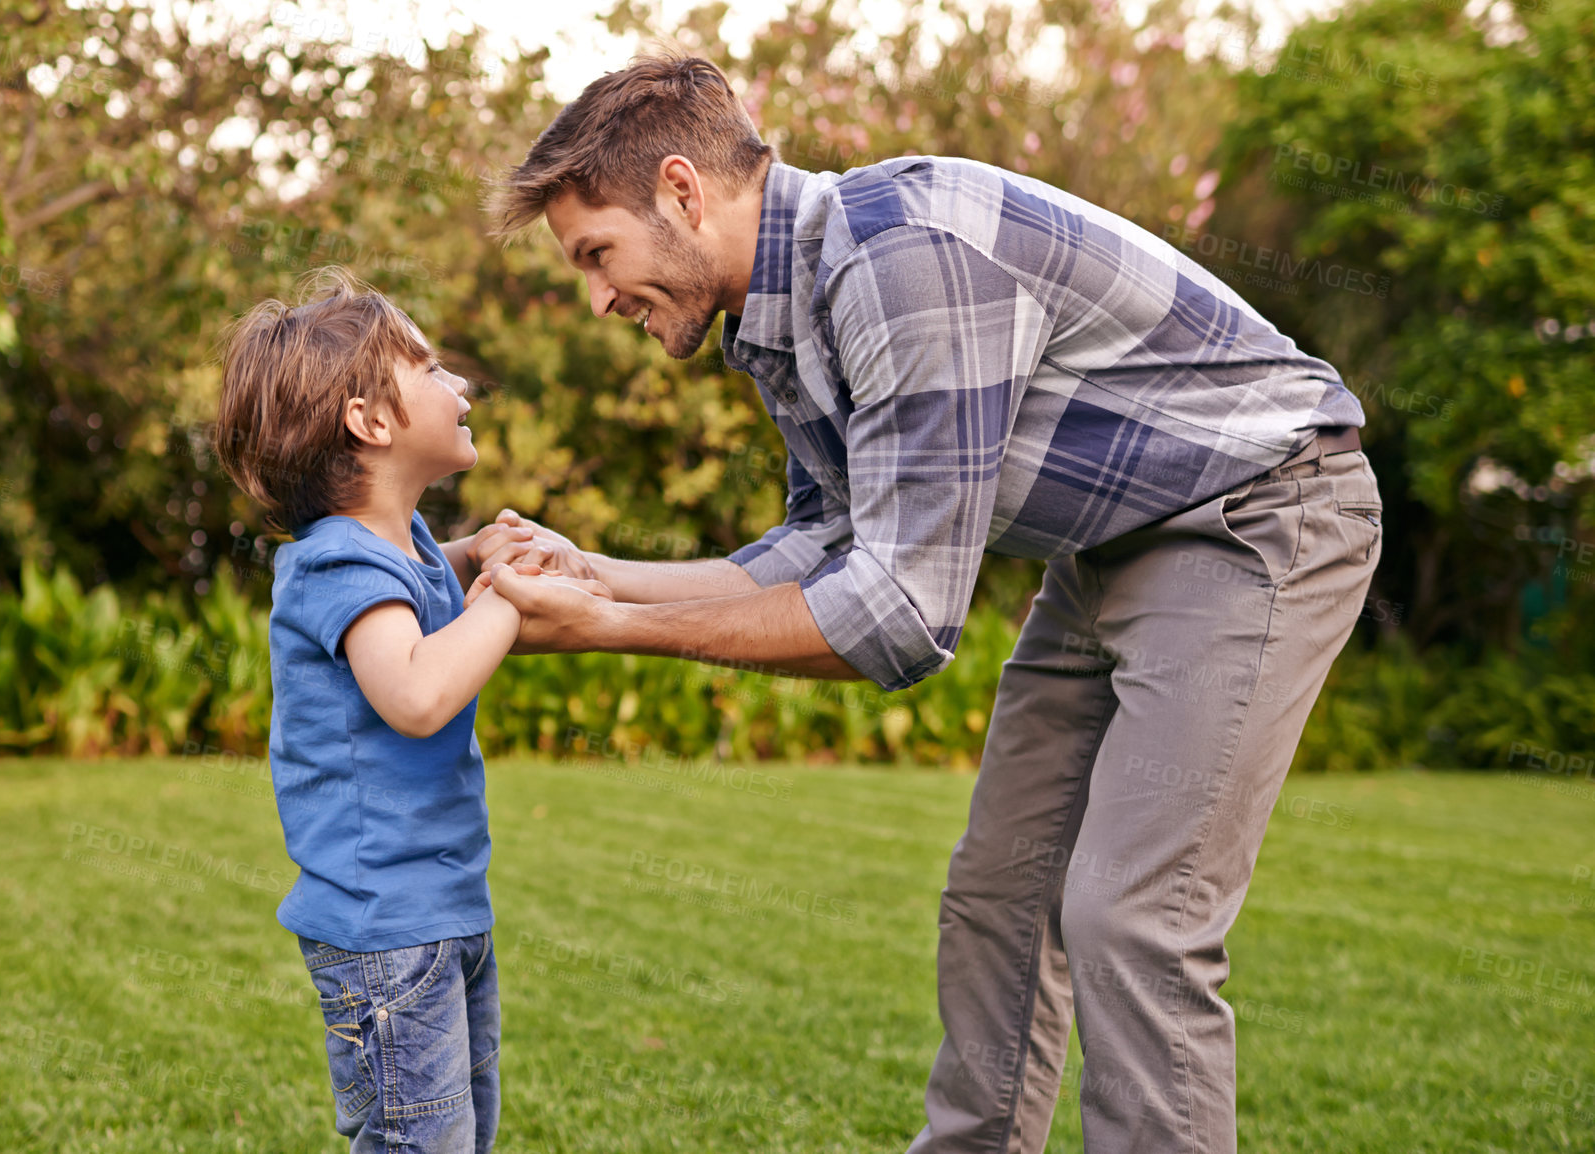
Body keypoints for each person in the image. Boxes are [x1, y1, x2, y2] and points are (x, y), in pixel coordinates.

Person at [475, 53, 1383, 1154]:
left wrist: (615, 627)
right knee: (997, 893)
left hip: (1256, 511)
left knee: (1132, 916)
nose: (597, 295)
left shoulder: (900, 257)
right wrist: (594, 575)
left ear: (681, 190)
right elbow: (826, 544)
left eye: (595, 254)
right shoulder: (777, 311)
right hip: (1106, 550)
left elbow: (899, 614)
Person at [213, 267, 608, 1153]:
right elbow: (418, 694)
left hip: (440, 909)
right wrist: (504, 598)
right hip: (386, 931)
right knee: (417, 1142)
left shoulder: (403, 545)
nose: (459, 383)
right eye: (431, 369)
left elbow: (421, 594)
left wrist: (473, 559)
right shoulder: (336, 564)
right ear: (372, 422)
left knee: (458, 1135)